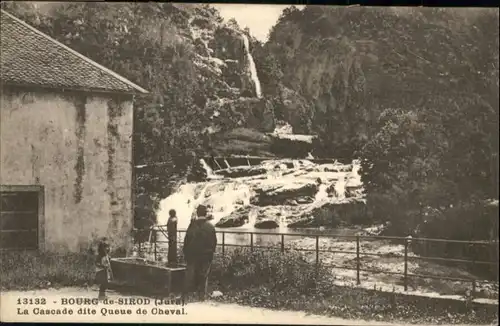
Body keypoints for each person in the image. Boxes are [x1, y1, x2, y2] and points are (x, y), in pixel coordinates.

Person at [182, 204, 217, 302]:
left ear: (197, 213)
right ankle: (201, 297)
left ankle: (186, 297)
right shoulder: (210, 227)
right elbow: (214, 242)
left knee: (190, 275)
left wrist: (186, 253)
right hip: (206, 255)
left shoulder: (192, 225)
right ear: (206, 214)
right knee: (204, 276)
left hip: (192, 255)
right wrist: (210, 253)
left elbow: (186, 241)